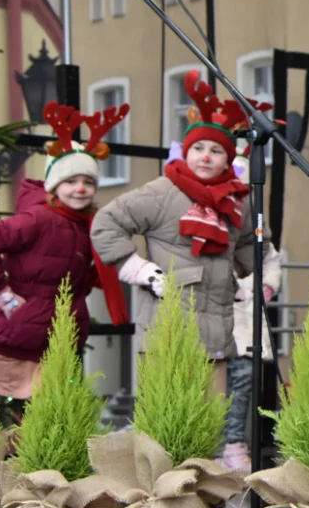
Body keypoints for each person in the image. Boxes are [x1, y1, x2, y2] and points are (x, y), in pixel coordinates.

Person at [92, 71, 270, 396]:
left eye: (215, 151)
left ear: (228, 160)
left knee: (209, 429)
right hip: (167, 332)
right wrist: (140, 271)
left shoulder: (238, 200)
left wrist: (237, 272)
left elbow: (252, 241)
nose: (205, 156)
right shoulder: (163, 191)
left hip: (217, 333)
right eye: (197, 147)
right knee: (164, 431)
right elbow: (106, 223)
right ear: (185, 152)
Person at [0, 103, 128, 427]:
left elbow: (87, 272)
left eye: (88, 182)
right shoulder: (36, 219)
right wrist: (3, 295)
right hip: (13, 334)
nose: (80, 188)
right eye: (71, 181)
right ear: (54, 186)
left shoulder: (89, 225)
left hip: (56, 337)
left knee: (47, 418)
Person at [219, 148, 283, 472]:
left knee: (243, 378)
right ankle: (215, 444)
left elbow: (269, 256)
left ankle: (233, 443)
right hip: (212, 316)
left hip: (242, 315)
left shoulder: (252, 223)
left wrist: (262, 287)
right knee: (214, 382)